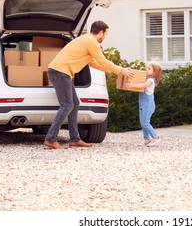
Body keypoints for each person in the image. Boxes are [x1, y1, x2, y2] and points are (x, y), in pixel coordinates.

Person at [44, 20, 134, 149]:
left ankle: (74, 139)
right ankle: (50, 139)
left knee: (74, 104)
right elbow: (102, 60)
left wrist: (114, 71)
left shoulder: (86, 40)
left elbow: (93, 63)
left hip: (62, 72)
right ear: (101, 32)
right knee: (67, 105)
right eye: (105, 34)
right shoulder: (92, 42)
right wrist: (120, 70)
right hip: (60, 72)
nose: (105, 37)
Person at [126, 63, 162, 147]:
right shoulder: (146, 78)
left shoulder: (151, 80)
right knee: (143, 122)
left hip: (148, 104)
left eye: (149, 68)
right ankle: (147, 139)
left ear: (154, 72)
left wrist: (132, 85)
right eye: (147, 68)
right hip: (142, 103)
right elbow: (139, 83)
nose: (146, 69)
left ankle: (156, 137)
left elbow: (143, 85)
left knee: (145, 122)